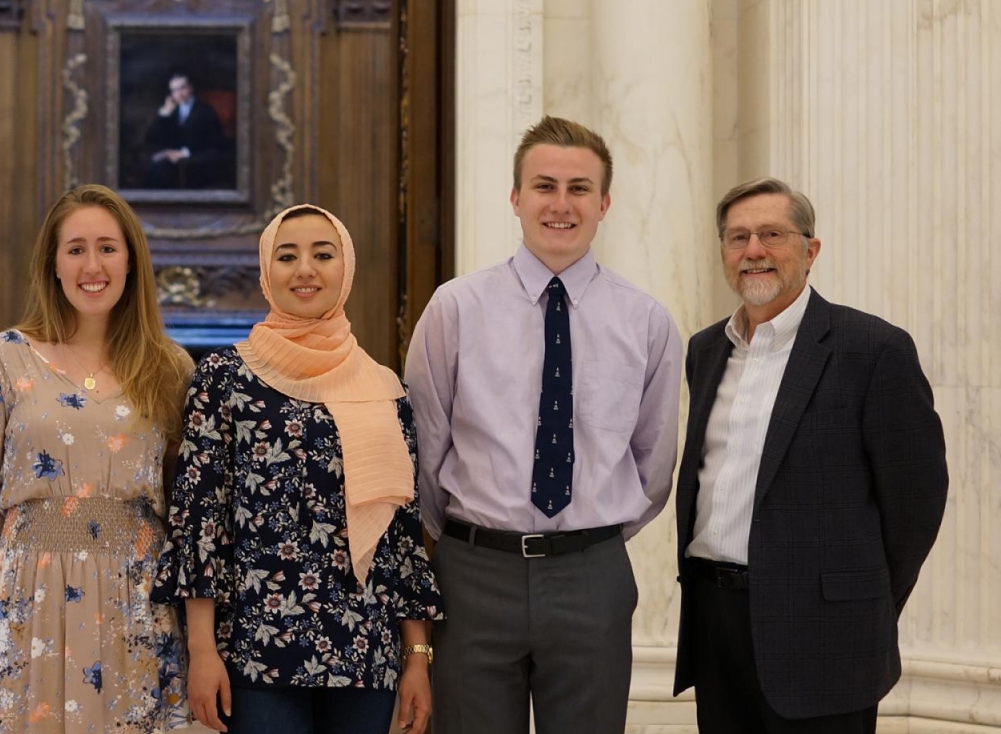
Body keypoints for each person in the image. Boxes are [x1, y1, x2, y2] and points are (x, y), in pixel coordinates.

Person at [404, 116, 682, 733]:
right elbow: (424, 444)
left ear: (604, 203)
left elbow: (654, 463)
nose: (561, 204)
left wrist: (586, 540)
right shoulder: (456, 308)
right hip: (474, 573)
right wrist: (464, 538)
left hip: (591, 574)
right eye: (544, 186)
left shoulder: (647, 322)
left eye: (579, 188)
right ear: (515, 197)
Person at [153, 204, 443, 734]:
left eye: (323, 255)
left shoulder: (384, 388)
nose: (305, 269)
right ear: (267, 271)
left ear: (345, 268)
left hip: (365, 652)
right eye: (287, 256)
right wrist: (202, 650)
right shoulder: (224, 378)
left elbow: (401, 538)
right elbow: (199, 522)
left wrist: (417, 659)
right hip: (257, 653)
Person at [672, 177, 947, 733]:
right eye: (738, 237)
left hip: (826, 635)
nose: (753, 250)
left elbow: (915, 506)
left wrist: (859, 602)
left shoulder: (872, 349)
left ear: (810, 250)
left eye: (772, 234)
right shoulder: (706, 349)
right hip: (716, 623)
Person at [0, 184, 194, 733]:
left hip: (135, 596)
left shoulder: (169, 368)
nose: (92, 265)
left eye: (107, 248)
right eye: (76, 249)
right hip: (31, 594)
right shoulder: (6, 356)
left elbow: (187, 491)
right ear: (53, 265)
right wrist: (21, 556)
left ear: (130, 261)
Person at [143, 73, 228, 189]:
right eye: (174, 90)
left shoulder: (205, 111)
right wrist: (164, 114)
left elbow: (214, 145)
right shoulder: (171, 110)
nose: (179, 94)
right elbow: (151, 137)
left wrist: (185, 153)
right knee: (155, 169)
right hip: (173, 159)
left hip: (199, 158)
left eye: (182, 88)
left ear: (190, 88)